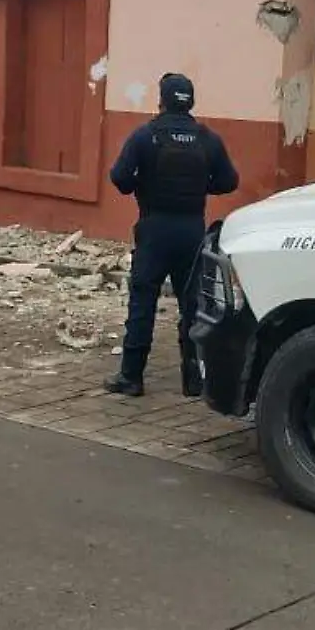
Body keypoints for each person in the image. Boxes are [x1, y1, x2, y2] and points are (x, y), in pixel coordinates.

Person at [104, 73, 239, 398]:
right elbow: (229, 181)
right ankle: (193, 379)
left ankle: (131, 377)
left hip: (154, 230)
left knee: (143, 301)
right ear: (190, 101)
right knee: (192, 306)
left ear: (161, 100)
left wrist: (143, 184)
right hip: (192, 229)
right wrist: (199, 187)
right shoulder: (207, 139)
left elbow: (119, 177)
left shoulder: (145, 136)